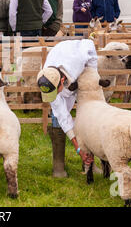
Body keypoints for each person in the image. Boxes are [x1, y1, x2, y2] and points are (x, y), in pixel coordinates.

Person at [37, 39, 97, 177]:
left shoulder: (78, 57)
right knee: (57, 116)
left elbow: (89, 44)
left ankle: (91, 164)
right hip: (66, 74)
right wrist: (77, 147)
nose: (54, 95)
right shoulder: (48, 77)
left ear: (62, 81)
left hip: (81, 71)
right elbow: (62, 115)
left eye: (55, 91)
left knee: (88, 115)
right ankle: (58, 166)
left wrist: (92, 72)